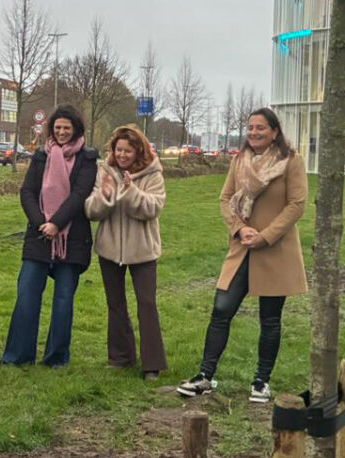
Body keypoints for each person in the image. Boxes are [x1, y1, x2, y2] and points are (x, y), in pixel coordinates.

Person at [177, 107, 307, 403]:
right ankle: (205, 376)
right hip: (242, 247)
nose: (254, 133)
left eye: (260, 128)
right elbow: (225, 198)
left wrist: (266, 235)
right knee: (221, 310)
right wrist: (240, 229)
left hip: (275, 250)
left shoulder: (291, 161)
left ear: (275, 131)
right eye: (250, 128)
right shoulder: (240, 161)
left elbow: (297, 204)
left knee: (270, 319)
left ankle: (261, 382)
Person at [0, 106, 98, 366]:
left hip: (73, 238)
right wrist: (42, 222)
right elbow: (27, 192)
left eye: (67, 128)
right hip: (39, 236)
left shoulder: (87, 158)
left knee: (63, 300)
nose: (62, 132)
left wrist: (57, 223)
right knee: (27, 295)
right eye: (58, 128)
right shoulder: (41, 157)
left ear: (76, 129)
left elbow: (79, 195)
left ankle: (56, 358)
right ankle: (18, 356)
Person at [85, 125, 167, 379]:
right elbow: (91, 210)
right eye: (119, 150)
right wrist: (106, 195)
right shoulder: (105, 171)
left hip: (142, 250)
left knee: (146, 303)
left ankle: (152, 364)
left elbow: (153, 208)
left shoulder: (153, 172)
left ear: (138, 151)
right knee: (115, 304)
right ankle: (121, 357)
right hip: (110, 249)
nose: (122, 155)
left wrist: (130, 191)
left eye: (127, 151)